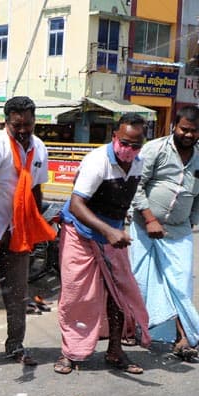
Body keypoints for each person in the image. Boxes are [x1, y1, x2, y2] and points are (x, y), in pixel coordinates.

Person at [56, 113, 150, 375]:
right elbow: (77, 204)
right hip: (81, 231)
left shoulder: (138, 164)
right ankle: (70, 353)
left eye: (135, 145)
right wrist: (108, 230)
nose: (129, 150)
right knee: (77, 295)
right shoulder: (97, 162)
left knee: (119, 293)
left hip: (112, 233)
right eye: (124, 143)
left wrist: (118, 229)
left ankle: (115, 350)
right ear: (114, 137)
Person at [0, 96, 54, 374]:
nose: (24, 130)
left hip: (18, 229)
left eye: (28, 124)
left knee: (18, 292)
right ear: (7, 122)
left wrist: (35, 226)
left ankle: (15, 346)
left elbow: (36, 190)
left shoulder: (39, 148)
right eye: (17, 125)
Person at [130, 106, 199, 361]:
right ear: (174, 127)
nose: (189, 135)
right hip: (144, 227)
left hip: (179, 232)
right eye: (184, 129)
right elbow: (137, 185)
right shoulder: (155, 149)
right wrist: (149, 219)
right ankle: (138, 328)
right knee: (143, 284)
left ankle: (184, 337)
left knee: (180, 286)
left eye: (194, 131)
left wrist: (191, 221)